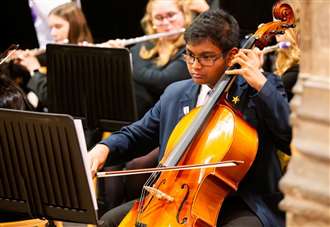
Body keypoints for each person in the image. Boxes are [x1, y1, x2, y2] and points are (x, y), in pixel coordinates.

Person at [88, 9, 292, 227]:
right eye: (189, 55)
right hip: (175, 198)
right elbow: (139, 133)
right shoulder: (176, 93)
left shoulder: (256, 89)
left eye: (206, 57)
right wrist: (104, 148)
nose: (194, 65)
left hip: (241, 203)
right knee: (108, 222)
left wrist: (260, 85)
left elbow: (290, 137)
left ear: (232, 55)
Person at [14, 2, 93, 110]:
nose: (53, 33)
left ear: (75, 26)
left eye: (58, 26)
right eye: (51, 27)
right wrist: (21, 59)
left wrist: (35, 70)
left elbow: (54, 99)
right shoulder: (57, 53)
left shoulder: (84, 58)